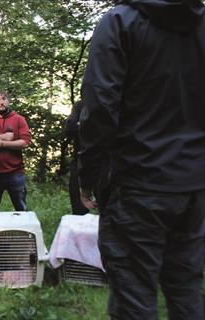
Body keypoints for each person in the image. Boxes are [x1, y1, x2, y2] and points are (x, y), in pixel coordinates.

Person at [78, 1, 205, 319]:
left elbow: (98, 108)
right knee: (186, 288)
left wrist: (89, 178)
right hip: (194, 188)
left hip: (137, 186)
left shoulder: (121, 21)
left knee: (133, 299)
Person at [63, 100, 89, 215]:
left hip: (106, 160)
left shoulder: (111, 102)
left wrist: (81, 124)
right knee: (78, 206)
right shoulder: (80, 105)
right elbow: (69, 129)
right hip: (80, 159)